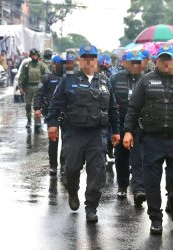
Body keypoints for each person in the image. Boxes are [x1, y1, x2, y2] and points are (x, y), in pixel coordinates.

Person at [123, 45, 173, 234]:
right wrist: (128, 131)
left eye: (169, 59)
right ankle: (155, 218)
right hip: (152, 139)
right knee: (151, 181)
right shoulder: (146, 81)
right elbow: (133, 108)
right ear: (156, 61)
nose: (166, 63)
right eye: (162, 59)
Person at [46, 44, 120, 223]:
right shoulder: (68, 80)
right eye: (85, 57)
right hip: (74, 133)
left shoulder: (104, 81)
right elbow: (55, 104)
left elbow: (112, 109)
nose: (89, 61)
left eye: (92, 57)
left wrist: (116, 131)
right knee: (71, 169)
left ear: (96, 60)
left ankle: (91, 207)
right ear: (79, 60)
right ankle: (72, 191)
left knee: (97, 171)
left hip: (97, 133)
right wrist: (52, 124)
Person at [110, 50, 146, 205]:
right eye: (133, 62)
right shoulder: (115, 79)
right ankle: (123, 185)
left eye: (138, 62)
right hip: (121, 123)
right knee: (121, 157)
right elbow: (109, 103)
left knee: (139, 157)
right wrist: (112, 128)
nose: (135, 65)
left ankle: (139, 189)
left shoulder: (146, 79)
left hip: (140, 125)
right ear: (125, 63)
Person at [33, 55, 64, 176]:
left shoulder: (69, 78)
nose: (57, 66)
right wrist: (37, 108)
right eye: (56, 64)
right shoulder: (46, 78)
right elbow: (39, 94)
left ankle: (64, 164)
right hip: (52, 113)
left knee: (66, 140)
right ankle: (53, 165)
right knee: (53, 139)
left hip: (66, 113)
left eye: (60, 64)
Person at [18, 48, 48, 129]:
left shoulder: (42, 65)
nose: (34, 56)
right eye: (33, 55)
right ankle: (29, 121)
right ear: (30, 56)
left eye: (35, 55)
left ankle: (37, 122)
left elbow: (47, 75)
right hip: (28, 87)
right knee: (28, 105)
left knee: (37, 106)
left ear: (38, 56)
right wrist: (20, 87)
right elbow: (21, 76)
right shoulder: (26, 65)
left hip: (38, 87)